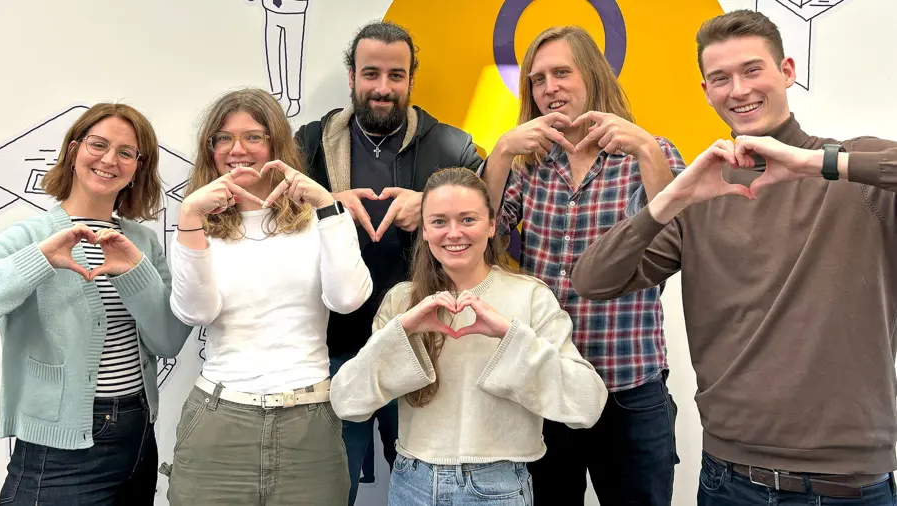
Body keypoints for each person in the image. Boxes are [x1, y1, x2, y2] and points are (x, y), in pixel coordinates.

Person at [571, 9, 897, 506]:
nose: (738, 89)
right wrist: (669, 199)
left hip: (850, 487)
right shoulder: (702, 197)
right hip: (731, 481)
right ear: (706, 91)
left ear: (787, 71)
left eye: (752, 70)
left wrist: (815, 163)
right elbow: (592, 280)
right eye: (720, 78)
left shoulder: (856, 173)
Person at [477, 25, 685, 505]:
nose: (549, 87)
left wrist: (650, 152)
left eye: (561, 73)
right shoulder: (526, 164)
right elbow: (486, 239)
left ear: (591, 75)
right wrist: (504, 150)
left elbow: (680, 242)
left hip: (630, 384)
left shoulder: (648, 153)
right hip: (547, 379)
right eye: (537, 79)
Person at [330, 166, 607, 506]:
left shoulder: (531, 297)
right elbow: (347, 402)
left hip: (500, 486)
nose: (454, 233)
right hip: (411, 483)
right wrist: (401, 332)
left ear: (492, 225)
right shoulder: (402, 301)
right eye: (439, 221)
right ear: (425, 231)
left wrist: (511, 336)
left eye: (468, 219)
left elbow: (587, 404)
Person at [296, 20, 483, 504]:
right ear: (352, 77)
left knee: (425, 488)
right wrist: (328, 202)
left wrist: (432, 205)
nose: (383, 88)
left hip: (425, 350)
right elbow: (275, 222)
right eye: (371, 74)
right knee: (335, 488)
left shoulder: (452, 147)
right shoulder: (311, 142)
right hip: (336, 350)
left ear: (411, 80)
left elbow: (486, 224)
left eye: (395, 76)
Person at [163, 88, 373, 506]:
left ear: (276, 145)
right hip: (219, 420)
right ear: (211, 149)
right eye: (223, 138)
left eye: (253, 137)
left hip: (309, 422)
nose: (237, 149)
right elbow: (195, 311)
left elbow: (348, 299)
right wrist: (189, 217)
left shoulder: (318, 220)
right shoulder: (196, 222)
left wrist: (328, 205)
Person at [0, 103, 191, 504]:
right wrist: (41, 259)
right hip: (59, 448)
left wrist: (132, 273)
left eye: (126, 152)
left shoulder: (143, 242)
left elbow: (169, 340)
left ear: (139, 166)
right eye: (98, 144)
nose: (109, 159)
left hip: (138, 437)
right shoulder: (29, 234)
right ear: (73, 150)